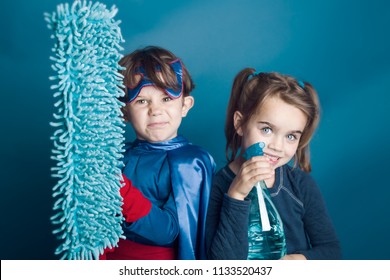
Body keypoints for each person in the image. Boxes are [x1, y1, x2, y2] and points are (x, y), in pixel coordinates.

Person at [205, 69, 341, 260]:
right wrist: (236, 196)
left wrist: (296, 261)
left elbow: (331, 251)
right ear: (240, 124)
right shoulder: (216, 188)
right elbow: (221, 266)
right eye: (267, 129)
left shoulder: (301, 185)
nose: (277, 146)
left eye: (291, 136)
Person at [101, 46, 215, 260]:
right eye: (142, 101)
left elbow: (167, 232)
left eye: (166, 99)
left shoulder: (190, 162)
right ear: (124, 111)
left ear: (185, 105)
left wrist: (121, 190)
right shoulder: (115, 156)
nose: (155, 110)